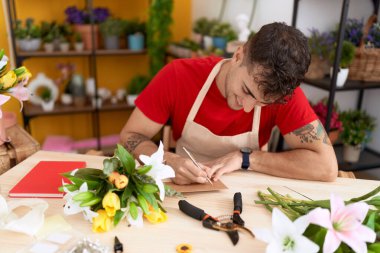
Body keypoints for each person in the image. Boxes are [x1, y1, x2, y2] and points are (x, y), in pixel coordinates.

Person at [120, 22, 338, 185]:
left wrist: (247, 159)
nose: (247, 108)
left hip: (248, 197)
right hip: (183, 189)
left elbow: (327, 167)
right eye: (246, 91)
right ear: (238, 55)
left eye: (263, 103)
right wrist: (166, 160)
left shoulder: (284, 94)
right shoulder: (178, 76)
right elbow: (129, 136)